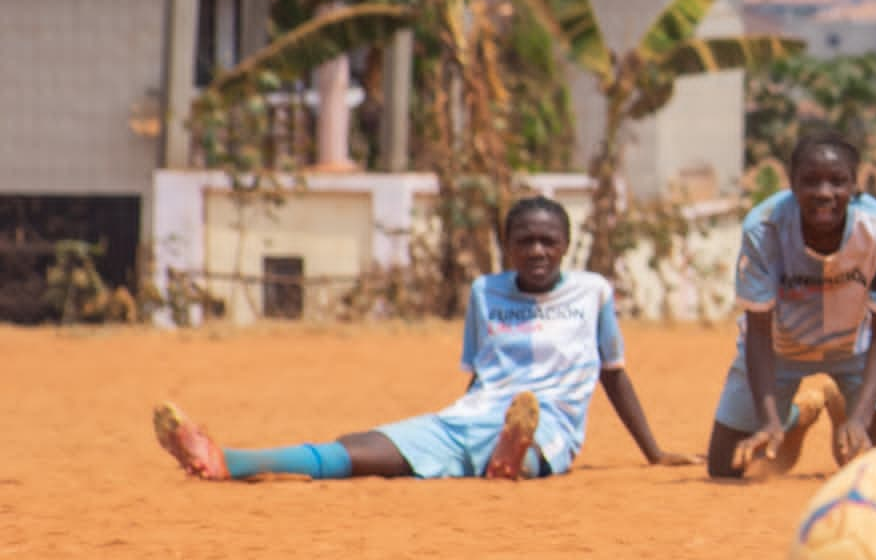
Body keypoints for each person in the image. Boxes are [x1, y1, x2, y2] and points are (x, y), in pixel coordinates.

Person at [151, 196, 687, 480]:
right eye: (525, 242)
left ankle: (513, 454)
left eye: (549, 241)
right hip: (473, 416)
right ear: (506, 245)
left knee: (527, 440)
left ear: (567, 245)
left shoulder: (593, 292)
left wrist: (654, 452)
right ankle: (227, 461)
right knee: (358, 451)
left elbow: (614, 373)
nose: (538, 251)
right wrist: (463, 419)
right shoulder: (485, 292)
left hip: (549, 426)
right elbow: (481, 373)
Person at [708, 129, 876, 480]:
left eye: (837, 182)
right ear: (792, 184)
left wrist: (860, 419)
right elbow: (757, 332)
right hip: (778, 350)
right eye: (811, 182)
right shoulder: (764, 228)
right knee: (725, 469)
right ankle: (793, 420)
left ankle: (845, 411)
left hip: (860, 350)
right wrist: (768, 420)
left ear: (855, 186)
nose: (824, 193)